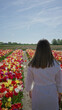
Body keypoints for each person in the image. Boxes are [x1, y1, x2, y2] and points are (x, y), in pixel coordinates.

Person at [25, 39, 62, 110]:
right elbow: (59, 82)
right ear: (49, 49)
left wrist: (29, 90)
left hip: (37, 93)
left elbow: (28, 81)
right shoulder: (56, 64)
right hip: (52, 93)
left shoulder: (32, 65)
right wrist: (60, 93)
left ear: (37, 50)